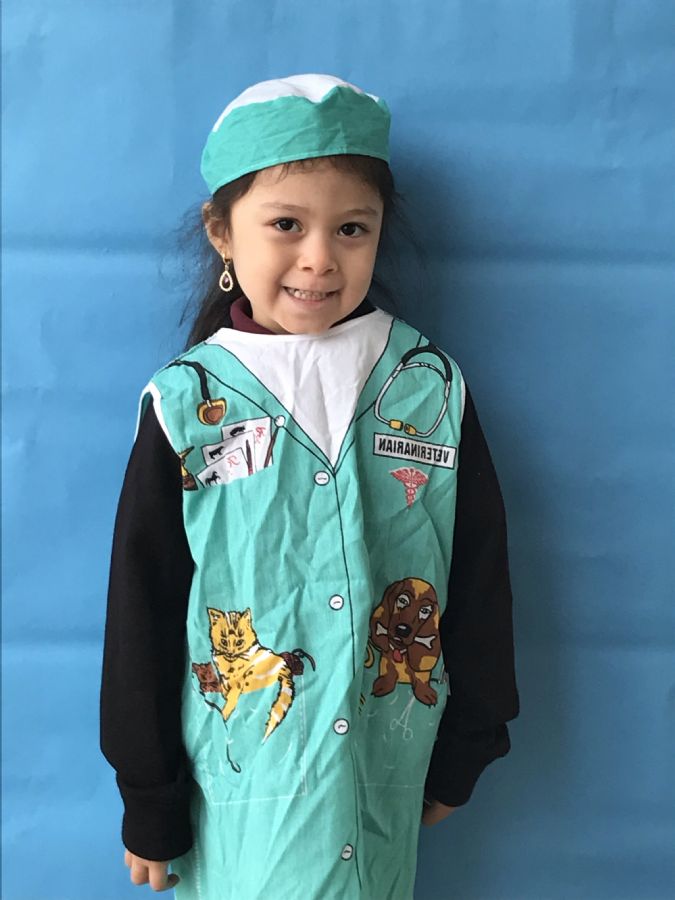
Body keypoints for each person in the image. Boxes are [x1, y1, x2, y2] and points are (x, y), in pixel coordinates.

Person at [100, 73, 519, 899]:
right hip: (240, 787)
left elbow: (478, 567)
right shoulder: (187, 403)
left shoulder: (425, 386)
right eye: (285, 224)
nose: (319, 258)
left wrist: (470, 742)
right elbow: (143, 601)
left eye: (351, 228)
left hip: (387, 768)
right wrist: (148, 796)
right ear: (221, 232)